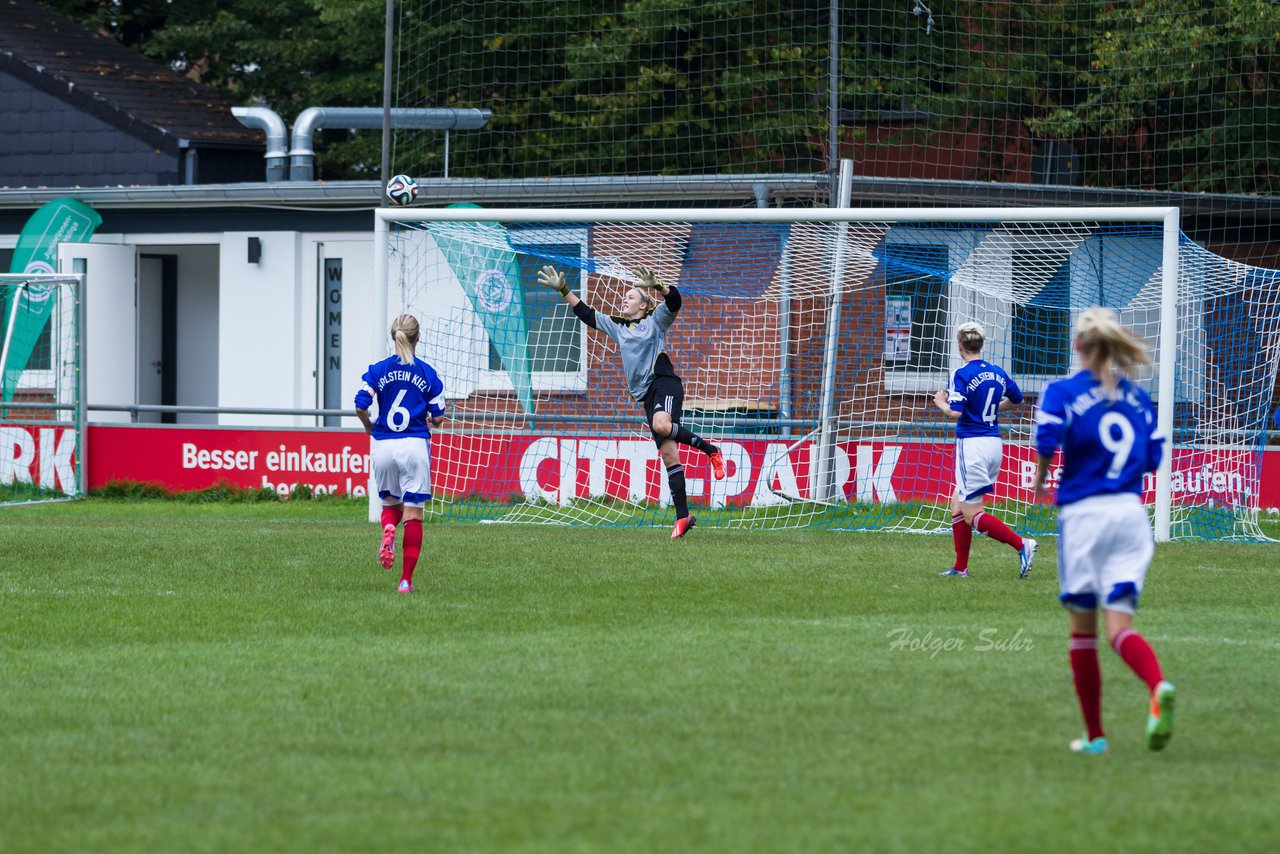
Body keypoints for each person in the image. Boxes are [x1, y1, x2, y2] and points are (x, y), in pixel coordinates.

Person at [1033, 307, 1175, 755]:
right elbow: (1153, 458)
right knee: (1119, 627)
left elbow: (1046, 444)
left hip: (1085, 515)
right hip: (1132, 516)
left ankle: (1094, 737)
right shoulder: (1136, 397)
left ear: (1077, 345)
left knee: (1082, 632)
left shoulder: (1061, 392)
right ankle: (1157, 685)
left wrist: (1038, 481)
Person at [536, 264, 725, 538]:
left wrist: (658, 284)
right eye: (625, 296)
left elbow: (675, 301)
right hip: (648, 396)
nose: (625, 299)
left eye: (632, 296)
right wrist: (564, 290)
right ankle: (683, 517)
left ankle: (711, 451)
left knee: (662, 425)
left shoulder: (655, 321)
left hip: (664, 383)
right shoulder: (618, 326)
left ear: (645, 305)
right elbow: (587, 315)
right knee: (670, 455)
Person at [932, 322, 1036, 578]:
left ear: (960, 345)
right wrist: (992, 410)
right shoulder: (997, 372)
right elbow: (1018, 399)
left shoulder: (962, 373)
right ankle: (960, 568)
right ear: (981, 344)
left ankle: (1022, 544)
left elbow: (955, 413)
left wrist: (941, 403)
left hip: (973, 445)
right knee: (957, 504)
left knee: (971, 513)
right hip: (993, 443)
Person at [354, 314, 446, 594]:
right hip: (414, 445)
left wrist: (369, 425)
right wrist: (434, 420)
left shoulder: (378, 370)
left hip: (384, 446)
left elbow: (360, 404)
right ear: (417, 338)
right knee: (414, 515)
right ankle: (405, 580)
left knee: (390, 507)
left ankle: (388, 533)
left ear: (392, 337)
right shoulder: (427, 373)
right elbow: (439, 416)